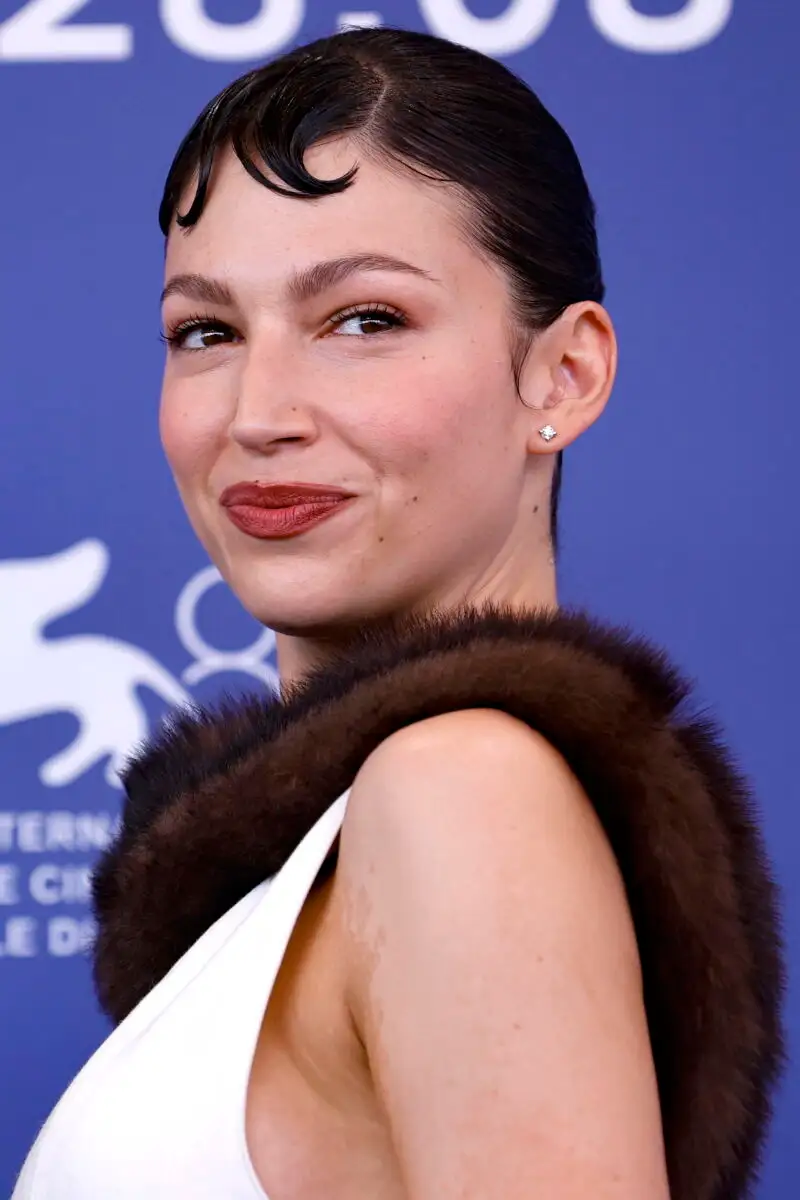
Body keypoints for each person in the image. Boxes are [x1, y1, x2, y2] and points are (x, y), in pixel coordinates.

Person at [13, 26, 783, 1200]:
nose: (257, 411)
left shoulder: (462, 792)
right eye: (204, 333)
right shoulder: (372, 827)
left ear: (561, 375)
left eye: (363, 320)